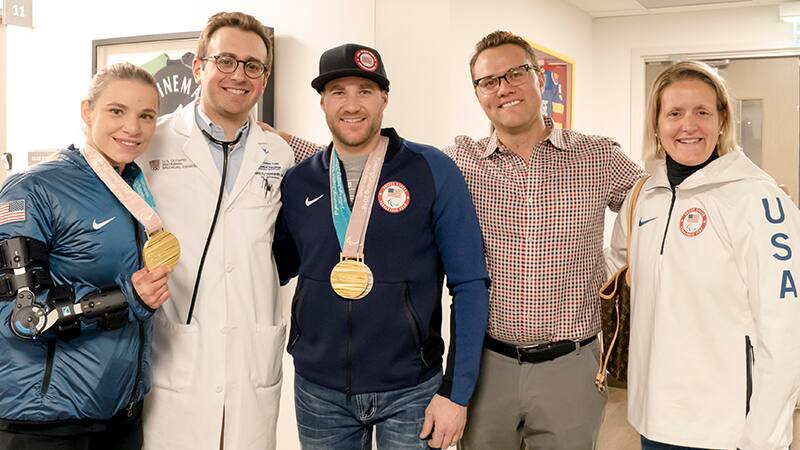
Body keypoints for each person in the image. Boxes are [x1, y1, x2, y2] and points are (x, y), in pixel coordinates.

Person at [266, 30, 644, 449]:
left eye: (516, 73)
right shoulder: (461, 160)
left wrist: (614, 266)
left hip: (565, 362)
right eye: (488, 81)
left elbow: (654, 203)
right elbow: (359, 162)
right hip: (489, 362)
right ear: (478, 93)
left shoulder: (596, 157)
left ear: (541, 78)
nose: (504, 88)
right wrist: (278, 145)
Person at [272, 43, 489, 450]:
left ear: (384, 98)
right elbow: (273, 265)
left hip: (411, 390)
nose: (352, 105)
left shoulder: (431, 170)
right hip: (319, 391)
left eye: (365, 91)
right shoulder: (299, 180)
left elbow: (470, 284)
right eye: (338, 91)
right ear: (321, 100)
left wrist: (456, 393)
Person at [606, 60, 800, 450]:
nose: (688, 126)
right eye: (674, 113)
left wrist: (765, 437)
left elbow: (786, 330)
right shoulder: (643, 197)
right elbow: (618, 263)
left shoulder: (758, 199)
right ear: (657, 124)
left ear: (722, 120)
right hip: (652, 418)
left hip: (726, 427)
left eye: (702, 112)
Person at [138, 11, 293, 450]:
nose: (238, 76)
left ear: (263, 78)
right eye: (225, 61)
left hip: (251, 361)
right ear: (198, 66)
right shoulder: (153, 144)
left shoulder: (278, 154)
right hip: (178, 361)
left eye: (253, 66)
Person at [0, 62, 170, 450]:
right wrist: (129, 298)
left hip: (120, 415)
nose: (133, 127)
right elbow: (24, 317)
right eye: (116, 111)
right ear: (86, 111)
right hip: (48, 424)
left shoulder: (135, 188)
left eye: (146, 116)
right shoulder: (32, 188)